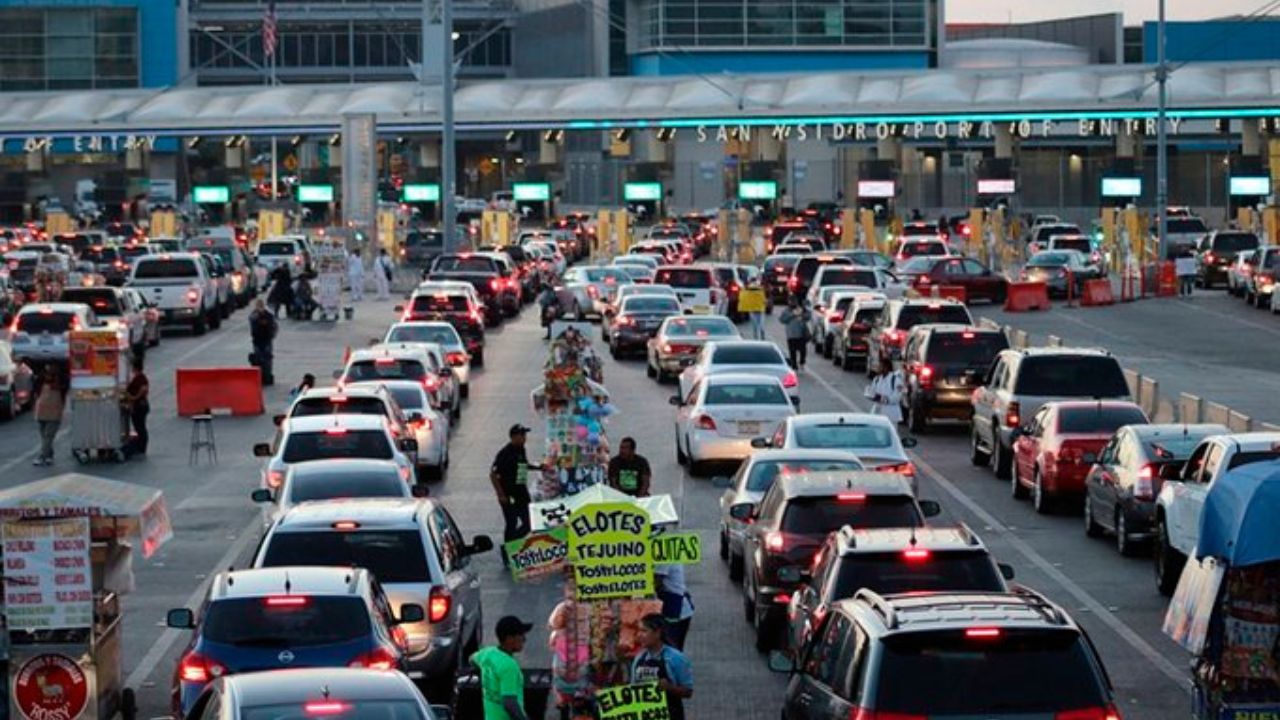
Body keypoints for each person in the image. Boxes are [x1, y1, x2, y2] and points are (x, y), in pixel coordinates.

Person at [490, 424, 542, 566]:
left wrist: (539, 467)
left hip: (521, 493)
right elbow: (493, 474)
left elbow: (523, 465)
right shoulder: (505, 453)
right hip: (509, 495)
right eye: (522, 435)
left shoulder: (521, 450)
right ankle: (508, 551)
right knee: (511, 523)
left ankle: (510, 546)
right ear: (513, 437)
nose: (525, 438)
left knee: (529, 523)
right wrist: (501, 495)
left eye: (525, 435)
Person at [630, 614, 693, 720]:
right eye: (639, 631)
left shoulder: (675, 658)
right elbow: (632, 687)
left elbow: (688, 691)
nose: (639, 635)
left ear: (657, 633)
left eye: (644, 631)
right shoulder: (639, 658)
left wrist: (670, 688)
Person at [471, 616, 532, 720]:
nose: (524, 639)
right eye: (520, 635)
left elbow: (471, 659)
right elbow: (509, 703)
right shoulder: (509, 666)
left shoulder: (488, 653)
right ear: (509, 639)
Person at [655, 563, 694, 650]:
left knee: (670, 647)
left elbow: (657, 581)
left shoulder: (664, 558)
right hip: (680, 608)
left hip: (676, 609)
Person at [33, 365, 65, 466]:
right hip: (41, 411)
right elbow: (36, 391)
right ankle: (49, 455)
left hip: (54, 413)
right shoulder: (40, 381)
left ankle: (42, 456)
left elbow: (63, 387)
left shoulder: (62, 383)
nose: (49, 374)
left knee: (48, 436)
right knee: (44, 436)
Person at [121, 358, 149, 457]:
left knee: (140, 427)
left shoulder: (140, 378)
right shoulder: (138, 377)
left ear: (135, 368)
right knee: (139, 427)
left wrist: (133, 397)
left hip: (140, 406)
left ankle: (141, 447)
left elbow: (143, 389)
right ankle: (140, 446)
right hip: (140, 405)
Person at [249, 299, 278, 385]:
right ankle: (261, 376)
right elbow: (252, 323)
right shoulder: (254, 315)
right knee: (258, 359)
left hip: (266, 340)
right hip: (257, 340)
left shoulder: (268, 315)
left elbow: (274, 326)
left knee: (267, 359)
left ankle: (267, 376)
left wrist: (272, 335)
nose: (260, 308)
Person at [778, 298, 811, 369]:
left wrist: (802, 316)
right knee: (792, 351)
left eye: (794, 302)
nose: (793, 303)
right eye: (791, 302)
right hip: (791, 335)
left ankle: (802, 362)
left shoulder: (801, 309)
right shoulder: (786, 311)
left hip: (801, 334)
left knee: (803, 351)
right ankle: (794, 365)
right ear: (789, 302)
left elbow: (808, 316)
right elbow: (781, 320)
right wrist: (793, 315)